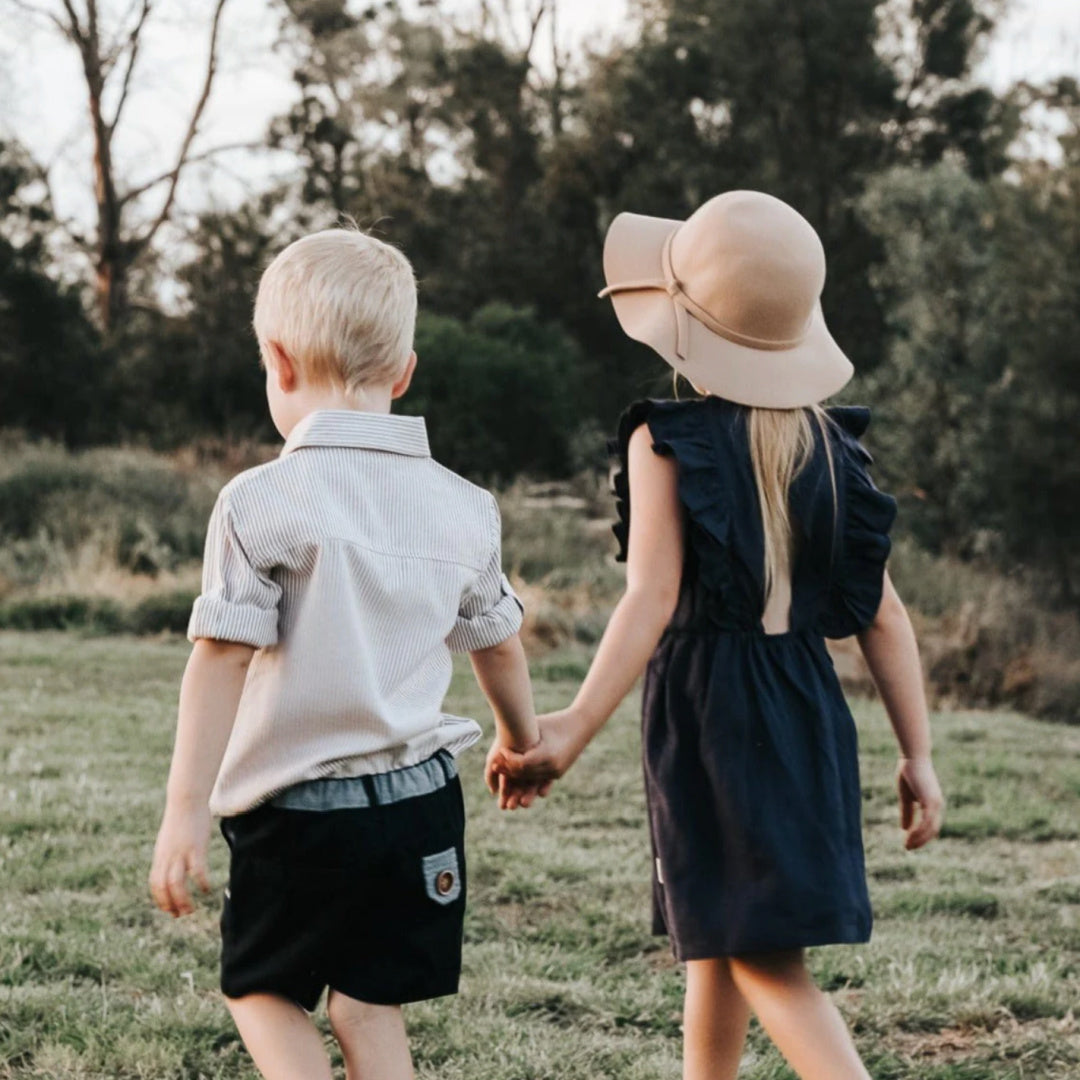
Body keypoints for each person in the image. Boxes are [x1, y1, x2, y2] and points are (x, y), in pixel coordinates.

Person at [492, 191, 946, 1080]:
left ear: (680, 327)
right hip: (807, 709)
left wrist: (572, 729)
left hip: (713, 715)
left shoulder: (667, 440)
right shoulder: (835, 449)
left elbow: (649, 599)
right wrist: (916, 755)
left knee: (761, 958)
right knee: (714, 937)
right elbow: (882, 615)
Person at [148, 228, 539, 1080]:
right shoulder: (466, 507)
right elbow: (499, 643)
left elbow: (218, 660)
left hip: (298, 816)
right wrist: (520, 740)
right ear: (404, 372)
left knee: (263, 992)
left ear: (277, 364)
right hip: (421, 807)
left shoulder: (260, 501)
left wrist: (184, 815)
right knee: (368, 1003)